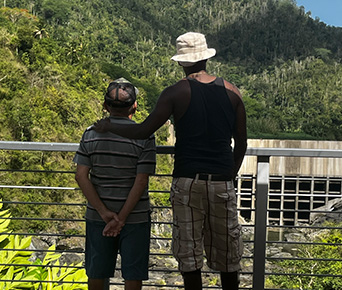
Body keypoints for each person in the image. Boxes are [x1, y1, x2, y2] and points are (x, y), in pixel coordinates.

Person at [93, 32, 247, 290]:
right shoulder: (232, 92)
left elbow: (143, 130)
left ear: (180, 62)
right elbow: (241, 142)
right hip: (221, 181)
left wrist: (109, 126)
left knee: (189, 256)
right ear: (206, 58)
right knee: (228, 256)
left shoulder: (175, 93)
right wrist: (230, 174)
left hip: (188, 181)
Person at [73, 78, 156, 290]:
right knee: (133, 275)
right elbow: (141, 180)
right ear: (135, 107)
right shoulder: (144, 136)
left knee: (96, 273)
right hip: (135, 216)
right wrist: (122, 219)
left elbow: (81, 176)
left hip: (98, 216)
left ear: (105, 106)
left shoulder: (91, 133)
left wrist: (103, 212)